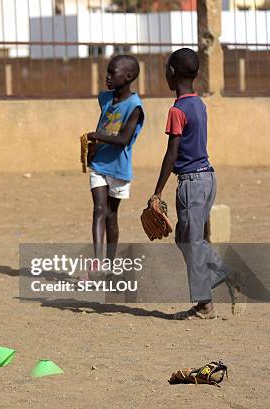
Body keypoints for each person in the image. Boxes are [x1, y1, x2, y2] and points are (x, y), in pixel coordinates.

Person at [150, 48, 242, 319]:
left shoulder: (177, 110)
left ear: (172, 73)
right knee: (185, 239)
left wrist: (157, 192)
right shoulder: (198, 103)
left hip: (191, 183)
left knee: (192, 242)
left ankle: (212, 297)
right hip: (206, 178)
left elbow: (172, 153)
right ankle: (212, 296)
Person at [84, 55, 145, 278]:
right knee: (99, 210)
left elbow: (124, 140)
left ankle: (110, 263)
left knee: (111, 214)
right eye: (107, 73)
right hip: (99, 164)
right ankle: (98, 263)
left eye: (112, 73)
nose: (107, 77)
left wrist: (96, 136)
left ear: (128, 77)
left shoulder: (135, 106)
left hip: (119, 168)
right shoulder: (105, 98)